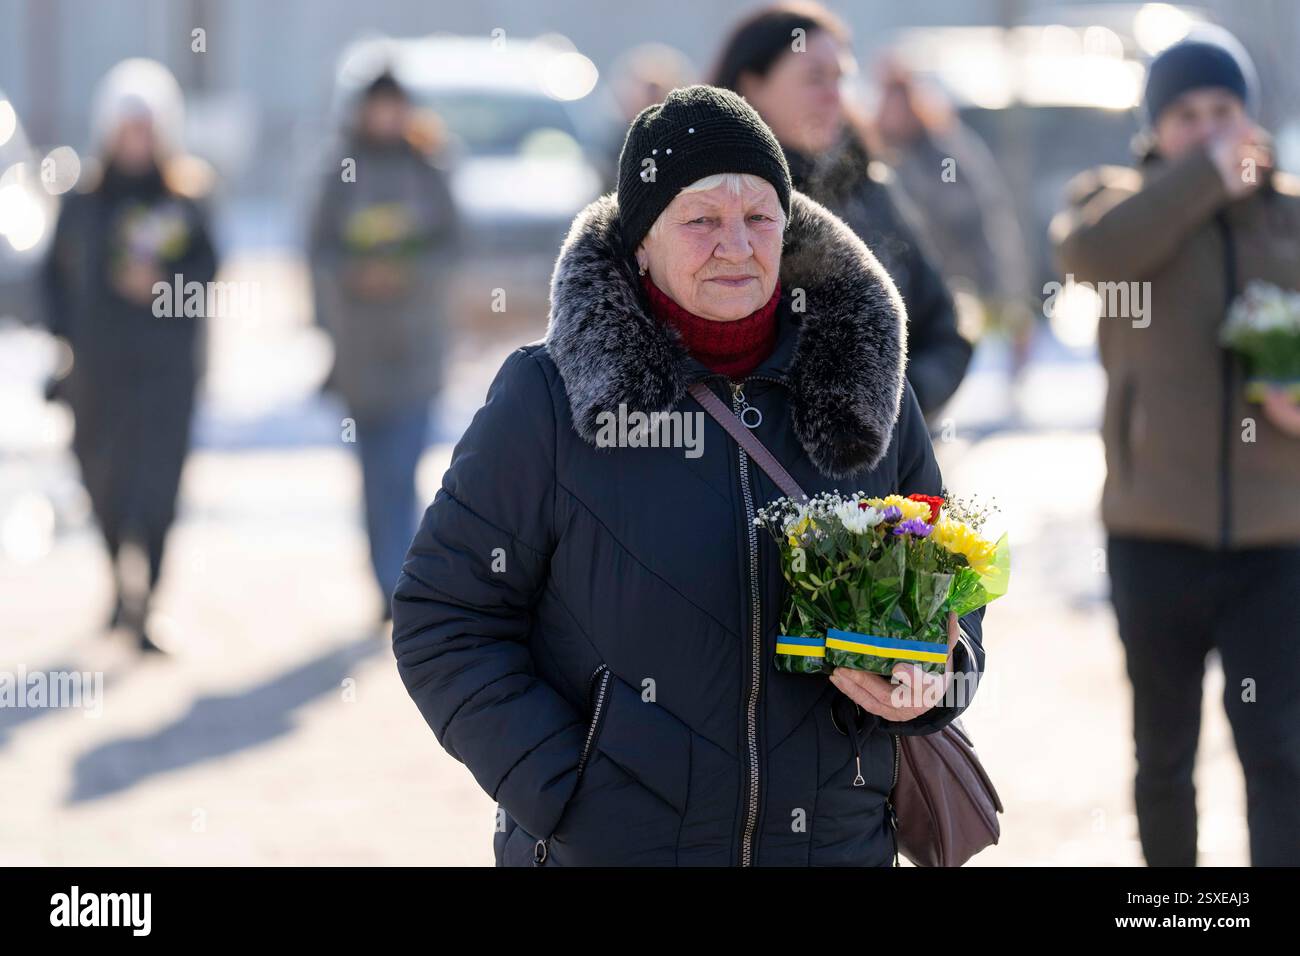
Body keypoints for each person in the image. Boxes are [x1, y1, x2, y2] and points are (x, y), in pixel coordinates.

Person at [392, 85, 986, 866]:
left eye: (759, 218)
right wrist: (563, 789)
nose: (736, 246)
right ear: (642, 241)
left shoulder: (867, 389)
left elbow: (947, 597)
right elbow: (444, 617)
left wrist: (936, 676)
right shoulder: (552, 398)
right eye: (702, 220)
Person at [1051, 32, 1300, 866]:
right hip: (1152, 538)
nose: (1207, 128)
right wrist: (1201, 179)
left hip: (1276, 545)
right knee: (1163, 759)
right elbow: (1090, 255)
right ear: (1155, 128)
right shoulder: (1116, 205)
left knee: (1280, 757)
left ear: (1251, 116)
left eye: (1223, 111)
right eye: (1185, 115)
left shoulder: (1290, 216)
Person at [711, 2, 973, 419]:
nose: (835, 96)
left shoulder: (867, 185)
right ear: (752, 85)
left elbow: (944, 327)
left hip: (887, 473)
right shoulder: (711, 205)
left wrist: (896, 414)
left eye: (841, 78)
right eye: (815, 78)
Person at [41, 58, 218, 654]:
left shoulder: (186, 201)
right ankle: (121, 582)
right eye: (127, 128)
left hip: (166, 374)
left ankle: (151, 600)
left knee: (160, 488)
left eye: (147, 128)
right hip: (98, 373)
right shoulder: (84, 202)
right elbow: (53, 280)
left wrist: (160, 284)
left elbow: (209, 274)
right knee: (106, 484)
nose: (136, 141)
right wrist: (63, 339)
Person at [308, 69, 460, 624]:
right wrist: (356, 276)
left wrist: (407, 272)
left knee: (406, 466)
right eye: (378, 107)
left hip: (417, 346)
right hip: (359, 350)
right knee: (375, 475)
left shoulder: (428, 167)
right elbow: (318, 251)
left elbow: (452, 246)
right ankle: (388, 580)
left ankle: (407, 577)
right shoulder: (340, 171)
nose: (387, 117)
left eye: (396, 106)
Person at [873, 57, 1033, 372]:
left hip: (960, 263)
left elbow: (976, 205)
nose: (894, 114)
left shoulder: (943, 149)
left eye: (901, 103)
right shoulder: (876, 150)